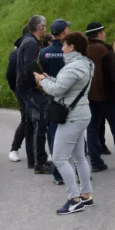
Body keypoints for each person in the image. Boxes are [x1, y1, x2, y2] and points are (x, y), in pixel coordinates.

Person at [35, 32, 95, 215]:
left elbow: (57, 90)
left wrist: (42, 80)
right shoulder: (86, 63)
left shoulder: (73, 67)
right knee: (79, 157)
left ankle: (74, 199)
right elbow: (67, 88)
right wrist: (49, 79)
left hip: (71, 116)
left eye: (64, 45)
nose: (61, 48)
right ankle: (86, 195)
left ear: (72, 47)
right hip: (81, 113)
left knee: (59, 158)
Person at [84, 22, 115, 171]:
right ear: (98, 34)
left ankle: (96, 163)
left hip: (90, 99)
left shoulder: (82, 50)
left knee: (92, 130)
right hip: (109, 98)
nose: (104, 34)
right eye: (103, 31)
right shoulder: (106, 50)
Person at [16, 15, 54, 175]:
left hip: (25, 87)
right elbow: (29, 65)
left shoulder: (27, 41)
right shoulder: (31, 42)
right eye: (45, 26)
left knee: (33, 123)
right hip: (30, 87)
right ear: (40, 27)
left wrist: (40, 74)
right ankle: (40, 162)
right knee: (41, 121)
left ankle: (34, 160)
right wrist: (41, 79)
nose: (46, 29)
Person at [40, 18, 70, 185]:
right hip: (72, 100)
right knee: (77, 137)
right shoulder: (72, 51)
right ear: (64, 32)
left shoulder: (44, 52)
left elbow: (39, 75)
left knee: (55, 137)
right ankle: (79, 173)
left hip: (52, 99)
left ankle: (58, 175)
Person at [7, 25, 31, 162]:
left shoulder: (34, 48)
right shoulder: (16, 53)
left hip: (31, 90)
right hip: (23, 90)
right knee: (26, 119)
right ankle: (14, 149)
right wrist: (16, 89)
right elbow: (10, 73)